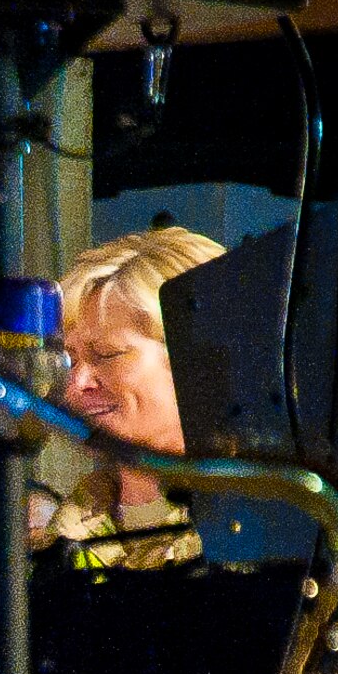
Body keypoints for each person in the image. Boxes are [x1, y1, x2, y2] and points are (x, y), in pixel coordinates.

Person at [29, 225, 225, 569]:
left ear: (200, 361)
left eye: (107, 354)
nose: (77, 383)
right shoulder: (54, 549)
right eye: (70, 360)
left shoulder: (276, 539)